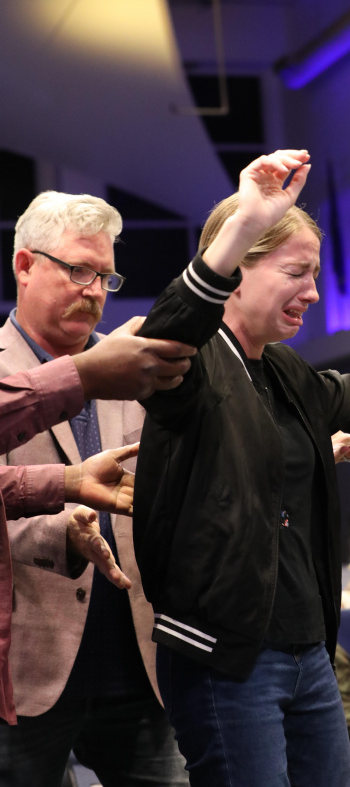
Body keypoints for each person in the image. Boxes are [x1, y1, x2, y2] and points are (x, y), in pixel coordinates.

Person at [131, 148, 350, 787]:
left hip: (308, 649)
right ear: (237, 272)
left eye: (315, 273)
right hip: (228, 657)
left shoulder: (283, 368)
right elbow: (167, 333)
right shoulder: (191, 361)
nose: (312, 292)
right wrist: (244, 223)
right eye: (296, 272)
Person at [0, 191, 189, 787]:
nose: (95, 290)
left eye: (105, 276)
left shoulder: (131, 367)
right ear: (24, 265)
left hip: (137, 664)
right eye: (78, 270)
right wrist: (63, 532)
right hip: (25, 670)